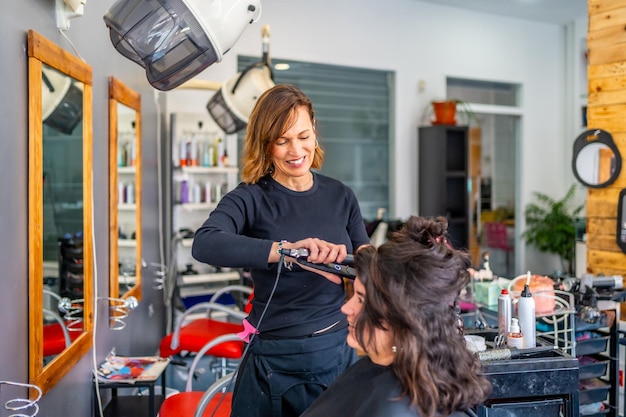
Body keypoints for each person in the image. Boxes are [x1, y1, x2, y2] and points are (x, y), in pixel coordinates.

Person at [191, 84, 371, 417]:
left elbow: (368, 263)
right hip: (274, 359)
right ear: (266, 144)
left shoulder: (341, 195)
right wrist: (286, 251)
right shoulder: (250, 197)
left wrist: (336, 266)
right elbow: (205, 243)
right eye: (282, 140)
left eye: (303, 136)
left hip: (336, 350)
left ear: (314, 131)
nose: (295, 150)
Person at [301, 216, 492, 417]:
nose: (346, 308)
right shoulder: (381, 370)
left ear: (402, 315)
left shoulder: (391, 406)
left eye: (361, 299)